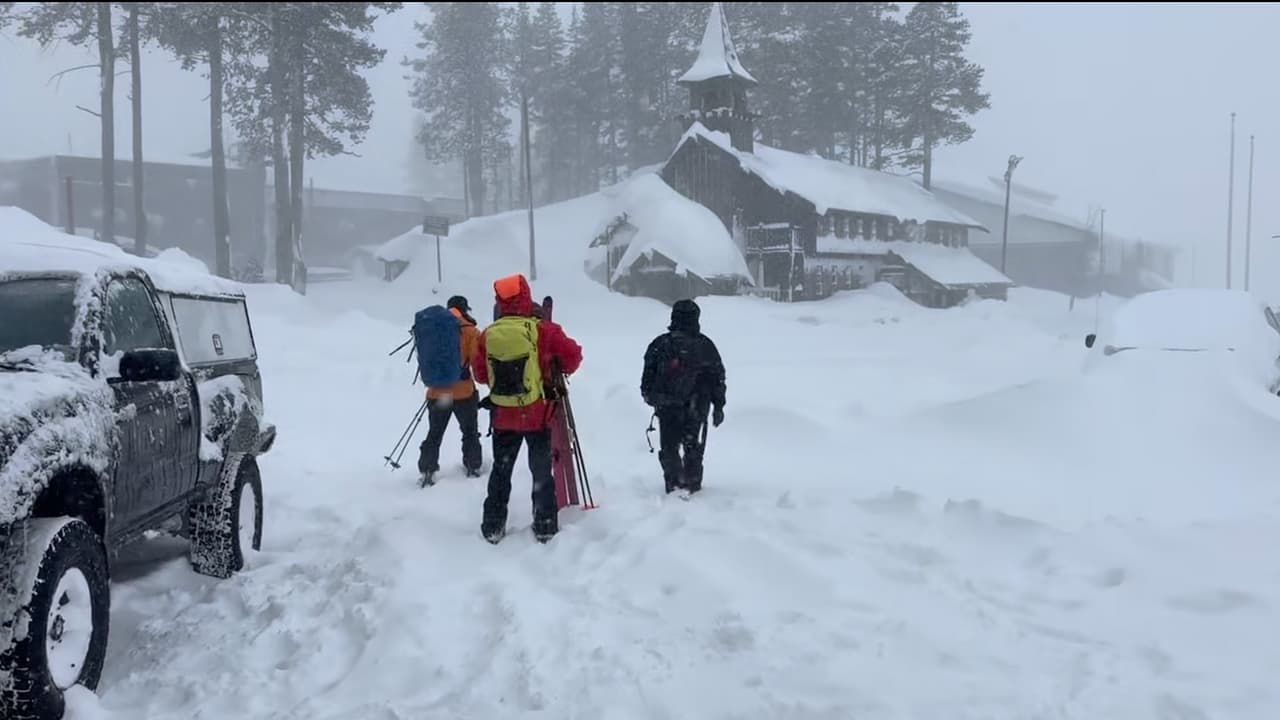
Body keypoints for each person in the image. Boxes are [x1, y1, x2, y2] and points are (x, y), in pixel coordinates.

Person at [472, 274, 583, 543]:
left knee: (501, 470)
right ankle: (544, 525)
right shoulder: (545, 330)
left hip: (503, 416)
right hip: (537, 414)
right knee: (541, 471)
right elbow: (574, 357)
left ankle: (493, 526)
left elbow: (480, 374)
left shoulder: (489, 334)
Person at [641, 299, 726, 495]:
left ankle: (674, 484)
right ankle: (692, 484)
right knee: (692, 445)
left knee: (669, 447)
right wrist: (718, 406)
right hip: (697, 406)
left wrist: (652, 397)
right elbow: (717, 378)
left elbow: (647, 379)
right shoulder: (705, 346)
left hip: (667, 406)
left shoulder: (660, 344)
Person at [416, 295, 483, 486]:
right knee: (469, 431)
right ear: (465, 310)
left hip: (439, 393)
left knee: (435, 432)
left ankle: (428, 469)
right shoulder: (470, 331)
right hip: (464, 394)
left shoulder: (433, 328)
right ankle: (473, 465)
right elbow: (476, 361)